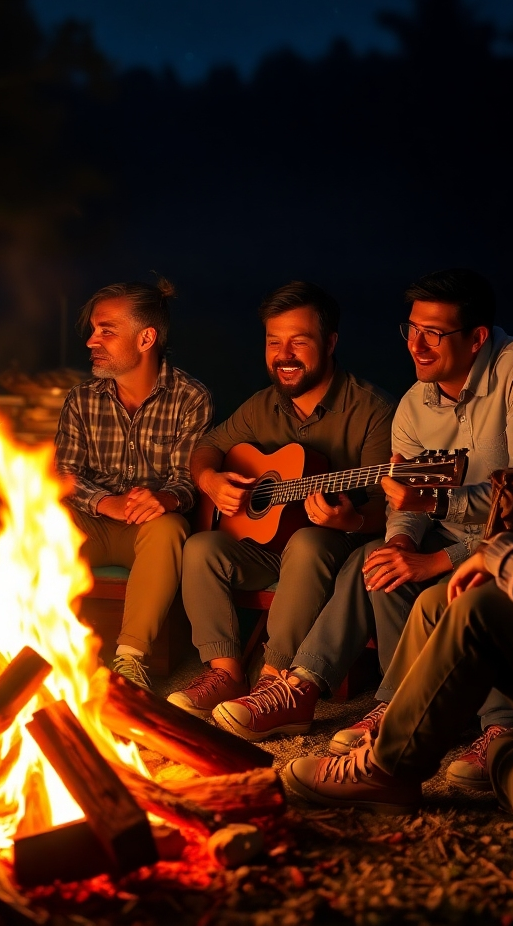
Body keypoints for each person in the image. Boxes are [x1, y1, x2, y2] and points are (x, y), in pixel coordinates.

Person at [282, 273, 513, 840]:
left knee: (477, 610)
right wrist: (408, 538)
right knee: (400, 578)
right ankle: (326, 691)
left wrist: (491, 556)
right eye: (412, 330)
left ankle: (389, 767)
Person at [221, 269, 513, 784]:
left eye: (435, 332)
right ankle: (308, 687)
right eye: (411, 329)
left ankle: (500, 727)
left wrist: (432, 544)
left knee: (474, 581)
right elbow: (406, 503)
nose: (418, 344)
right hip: (449, 534)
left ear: (477, 338)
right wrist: (404, 538)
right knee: (377, 561)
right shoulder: (413, 404)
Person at [168, 281, 394, 715]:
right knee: (201, 547)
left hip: (335, 547)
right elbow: (206, 448)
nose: (284, 354)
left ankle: (274, 679)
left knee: (308, 542)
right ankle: (226, 673)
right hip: (268, 548)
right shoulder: (261, 405)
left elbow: (390, 506)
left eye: (299, 341)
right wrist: (211, 480)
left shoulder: (374, 411)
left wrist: (351, 522)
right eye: (274, 342)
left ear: (330, 342)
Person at [56, 279, 213, 689]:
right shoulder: (82, 399)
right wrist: (107, 502)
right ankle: (41, 648)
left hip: (147, 527)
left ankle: (130, 661)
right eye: (93, 330)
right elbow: (64, 473)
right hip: (90, 523)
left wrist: (162, 498)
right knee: (35, 525)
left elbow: (188, 480)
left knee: (170, 530)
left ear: (146, 338)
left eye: (106, 330)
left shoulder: (190, 398)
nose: (92, 341)